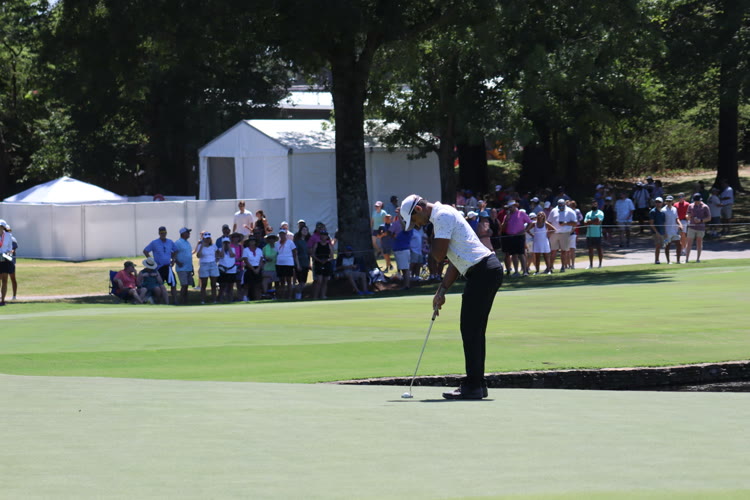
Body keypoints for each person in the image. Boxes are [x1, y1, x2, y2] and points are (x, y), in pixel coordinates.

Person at [400, 194, 503, 400]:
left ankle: (473, 385)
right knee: (473, 330)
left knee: (471, 330)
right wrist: (441, 291)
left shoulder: (442, 216)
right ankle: (477, 384)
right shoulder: (443, 215)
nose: (417, 225)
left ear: (418, 209)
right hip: (484, 271)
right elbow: (455, 261)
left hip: (483, 271)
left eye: (415, 221)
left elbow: (439, 255)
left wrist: (431, 235)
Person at [142, 226, 177, 304]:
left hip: (168, 267)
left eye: (164, 233)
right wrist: (151, 260)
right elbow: (145, 251)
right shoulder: (154, 243)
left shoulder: (170, 242)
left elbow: (175, 250)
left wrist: (173, 260)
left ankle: (175, 300)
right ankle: (159, 301)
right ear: (159, 233)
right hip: (159, 267)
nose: (163, 234)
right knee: (159, 285)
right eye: (161, 233)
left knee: (173, 284)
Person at [500, 200, 532, 276]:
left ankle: (525, 271)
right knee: (514, 254)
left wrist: (525, 230)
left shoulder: (521, 213)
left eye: (511, 207)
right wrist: (506, 220)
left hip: (519, 236)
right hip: (510, 236)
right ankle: (516, 272)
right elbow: (503, 227)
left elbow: (530, 222)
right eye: (509, 207)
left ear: (515, 206)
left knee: (521, 254)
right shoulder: (507, 216)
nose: (509, 209)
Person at [547, 199, 577, 272]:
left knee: (564, 251)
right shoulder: (554, 210)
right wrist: (549, 231)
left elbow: (575, 223)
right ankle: (550, 267)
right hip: (554, 233)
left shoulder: (570, 211)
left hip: (565, 233)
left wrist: (566, 223)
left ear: (564, 204)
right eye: (559, 205)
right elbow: (549, 222)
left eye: (562, 205)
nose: (560, 206)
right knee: (553, 250)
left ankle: (563, 267)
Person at [685, 193, 711, 263]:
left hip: (700, 228)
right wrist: (688, 216)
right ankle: (686, 259)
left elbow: (709, 218)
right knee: (689, 243)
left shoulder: (705, 206)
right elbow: (687, 214)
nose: (696, 202)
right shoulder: (690, 205)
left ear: (700, 200)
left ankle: (698, 259)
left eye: (697, 201)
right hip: (691, 227)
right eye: (695, 201)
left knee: (699, 243)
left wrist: (701, 220)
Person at [195, 232, 219, 304]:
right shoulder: (200, 246)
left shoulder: (213, 246)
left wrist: (216, 259)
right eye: (206, 238)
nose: (207, 240)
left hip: (212, 264)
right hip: (204, 264)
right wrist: (202, 246)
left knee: (213, 284)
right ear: (203, 239)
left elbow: (218, 253)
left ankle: (214, 300)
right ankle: (202, 300)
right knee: (204, 284)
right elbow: (198, 256)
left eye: (208, 238)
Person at [275, 229, 299, 300]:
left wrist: (296, 262)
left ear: (285, 235)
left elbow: (295, 252)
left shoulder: (290, 242)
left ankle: (289, 296)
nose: (282, 235)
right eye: (280, 234)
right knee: (282, 281)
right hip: (279, 263)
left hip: (289, 263)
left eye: (283, 234)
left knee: (289, 280)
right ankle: (282, 297)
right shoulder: (277, 243)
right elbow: (276, 252)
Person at [174, 227, 194, 305]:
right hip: (181, 268)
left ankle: (185, 301)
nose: (189, 234)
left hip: (188, 267)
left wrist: (192, 267)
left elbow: (189, 255)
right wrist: (177, 262)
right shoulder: (178, 243)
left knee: (187, 285)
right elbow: (173, 253)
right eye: (187, 232)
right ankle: (181, 300)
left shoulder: (188, 243)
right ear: (183, 234)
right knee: (184, 285)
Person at [312, 231, 334, 299]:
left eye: (325, 235)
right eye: (322, 235)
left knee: (325, 281)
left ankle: (323, 295)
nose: (323, 236)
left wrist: (326, 260)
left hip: (326, 263)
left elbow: (332, 256)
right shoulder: (317, 244)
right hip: (318, 263)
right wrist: (319, 260)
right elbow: (313, 254)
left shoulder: (329, 245)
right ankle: (315, 296)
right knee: (319, 280)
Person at [241, 237, 263, 301]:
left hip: (258, 268)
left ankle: (257, 298)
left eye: (253, 241)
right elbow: (246, 260)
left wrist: (258, 269)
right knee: (247, 285)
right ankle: (245, 298)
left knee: (257, 285)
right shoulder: (246, 250)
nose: (252, 242)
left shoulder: (259, 250)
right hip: (249, 268)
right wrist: (253, 269)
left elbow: (261, 260)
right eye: (251, 241)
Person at [584, 201, 604, 269]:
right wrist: (593, 221)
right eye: (592, 204)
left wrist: (590, 221)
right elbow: (585, 223)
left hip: (598, 234)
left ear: (597, 205)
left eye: (595, 204)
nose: (594, 205)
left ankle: (600, 264)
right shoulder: (588, 213)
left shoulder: (600, 213)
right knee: (590, 250)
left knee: (599, 249)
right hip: (589, 234)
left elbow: (598, 222)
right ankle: (591, 265)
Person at [663, 195, 683, 264]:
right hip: (667, 231)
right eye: (667, 201)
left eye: (670, 201)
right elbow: (662, 222)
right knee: (667, 246)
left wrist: (680, 224)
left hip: (675, 231)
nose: (668, 202)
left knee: (679, 244)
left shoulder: (675, 209)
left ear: (672, 201)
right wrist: (664, 232)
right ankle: (668, 261)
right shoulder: (663, 210)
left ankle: (678, 261)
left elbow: (677, 218)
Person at [293, 226, 311, 300]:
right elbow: (296, 254)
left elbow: (308, 254)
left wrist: (309, 264)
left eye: (306, 230)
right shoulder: (297, 241)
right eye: (303, 230)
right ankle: (297, 296)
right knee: (300, 282)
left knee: (303, 282)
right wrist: (298, 265)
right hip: (300, 263)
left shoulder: (307, 242)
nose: (305, 231)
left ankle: (299, 295)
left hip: (305, 263)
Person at [217, 238, 237, 303]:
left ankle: (230, 299)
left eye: (227, 242)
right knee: (222, 286)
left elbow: (232, 255)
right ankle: (220, 300)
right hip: (223, 270)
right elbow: (221, 256)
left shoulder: (233, 249)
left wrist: (229, 246)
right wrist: (223, 246)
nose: (226, 244)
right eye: (224, 243)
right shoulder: (220, 249)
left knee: (230, 286)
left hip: (231, 270)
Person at [648, 197, 666, 264]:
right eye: (656, 202)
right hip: (656, 232)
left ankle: (666, 259)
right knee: (658, 245)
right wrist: (656, 232)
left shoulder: (663, 212)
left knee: (663, 245)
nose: (658, 203)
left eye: (659, 202)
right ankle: (657, 260)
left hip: (662, 232)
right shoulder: (653, 212)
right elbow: (651, 223)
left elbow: (664, 223)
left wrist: (665, 232)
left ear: (662, 203)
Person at [0, 220, 14, 305]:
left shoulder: (8, 236)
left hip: (4, 260)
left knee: (5, 280)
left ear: (3, 227)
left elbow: (10, 249)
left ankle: (2, 300)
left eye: (1, 226)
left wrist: (5, 255)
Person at [262, 233, 279, 298]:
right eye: (270, 238)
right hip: (267, 268)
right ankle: (267, 295)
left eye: (273, 238)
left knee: (277, 282)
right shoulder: (265, 248)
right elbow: (264, 257)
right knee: (267, 282)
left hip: (276, 267)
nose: (271, 240)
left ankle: (277, 295)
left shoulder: (278, 246)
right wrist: (266, 258)